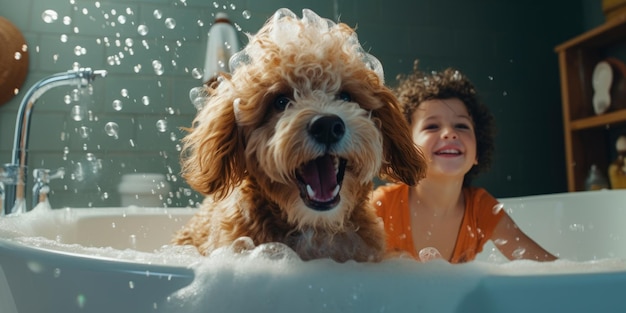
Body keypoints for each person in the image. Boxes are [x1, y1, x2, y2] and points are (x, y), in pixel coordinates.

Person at [372, 61, 557, 263]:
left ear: (477, 151)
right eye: (432, 126)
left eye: (461, 126)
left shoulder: (481, 209)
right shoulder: (382, 207)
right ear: (406, 147)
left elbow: (547, 268)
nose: (450, 133)